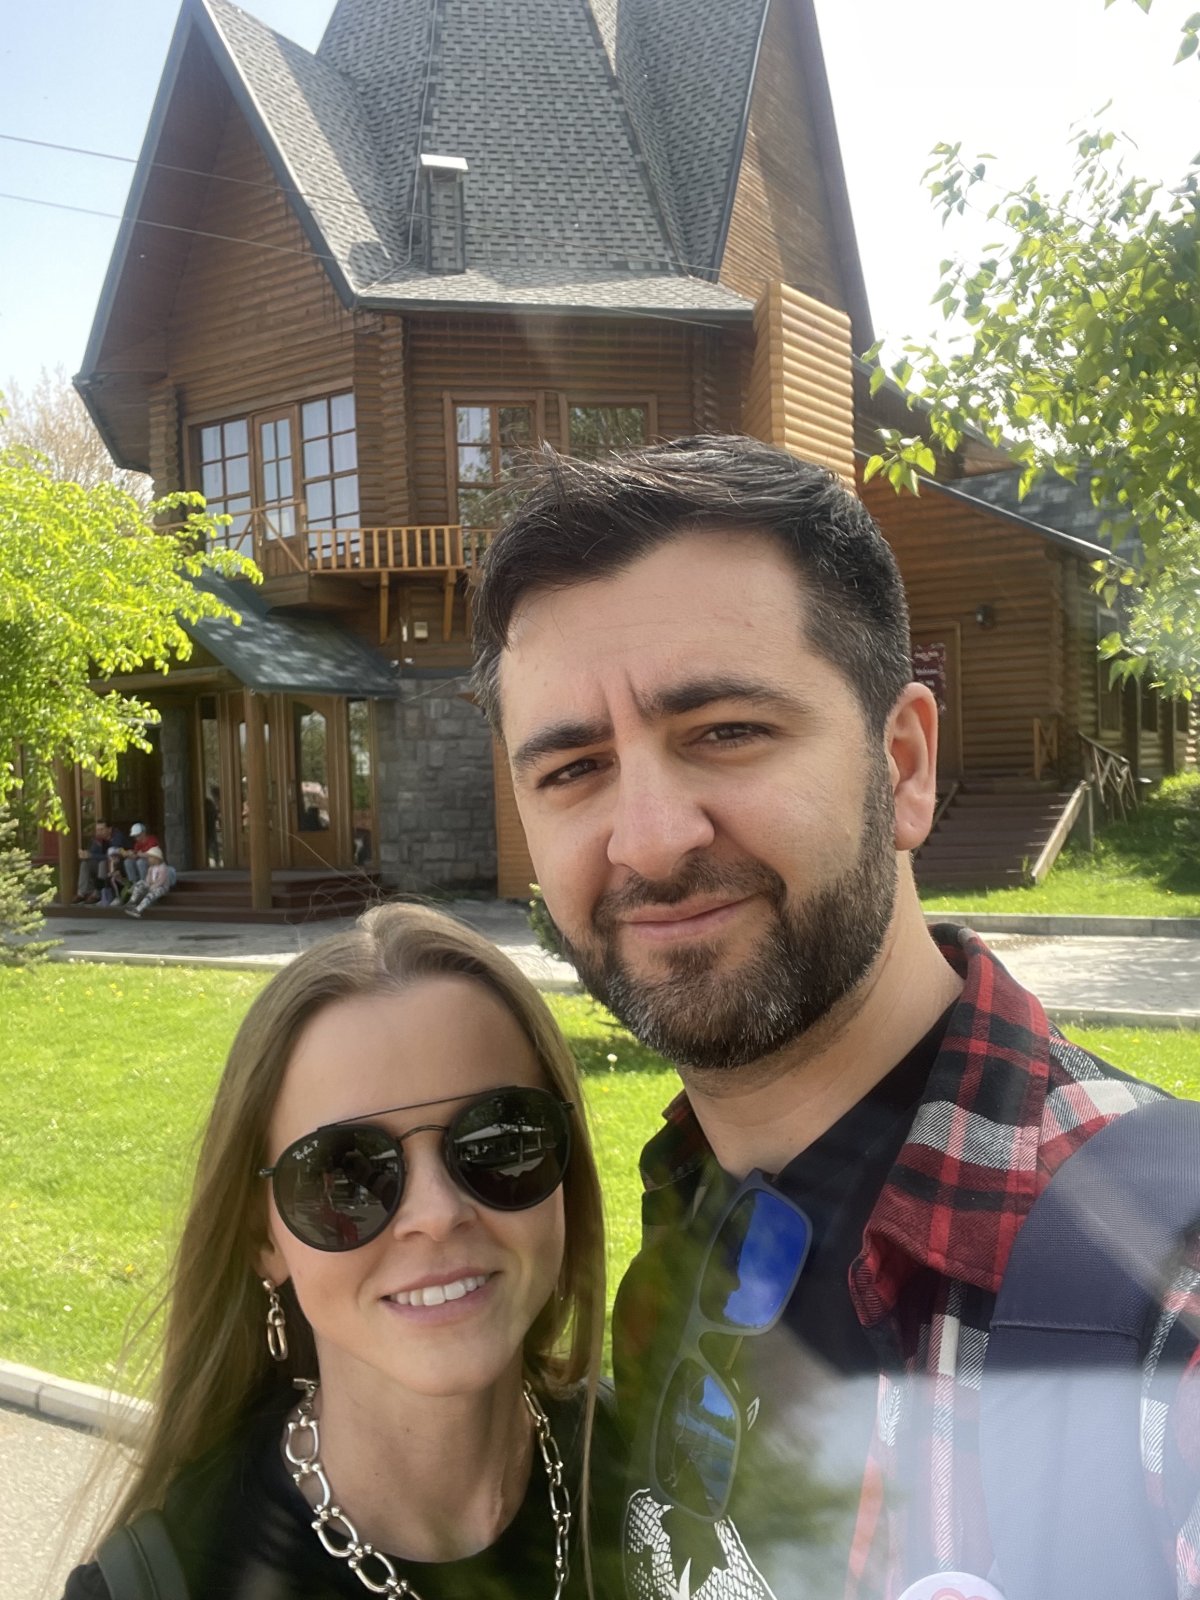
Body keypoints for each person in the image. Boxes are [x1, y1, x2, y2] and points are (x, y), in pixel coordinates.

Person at [471, 436, 1200, 1600]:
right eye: (573, 769)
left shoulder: (1165, 1302)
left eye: (725, 730)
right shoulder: (681, 1232)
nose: (648, 838)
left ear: (903, 764)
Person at [62, 903, 621, 1599]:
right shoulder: (165, 1582)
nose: (437, 1215)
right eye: (345, 1175)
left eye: (499, 1143)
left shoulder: (674, 1480)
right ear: (262, 1236)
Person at [74, 820, 124, 902]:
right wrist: (85, 854)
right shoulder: (97, 839)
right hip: (104, 864)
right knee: (85, 864)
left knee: (102, 863)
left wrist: (91, 855)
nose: (99, 832)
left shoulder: (117, 837)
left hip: (118, 865)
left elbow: (112, 856)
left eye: (101, 829)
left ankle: (98, 893)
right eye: (97, 830)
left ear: (109, 829)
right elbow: (93, 853)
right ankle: (82, 893)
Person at [123, 847, 171, 917]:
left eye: (150, 857)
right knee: (140, 883)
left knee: (151, 894)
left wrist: (151, 888)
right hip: (151, 885)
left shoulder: (163, 868)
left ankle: (138, 910)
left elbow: (161, 881)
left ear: (156, 858)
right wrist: (147, 884)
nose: (148, 859)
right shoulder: (151, 867)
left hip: (161, 887)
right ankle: (132, 902)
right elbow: (148, 878)